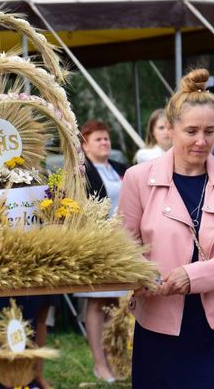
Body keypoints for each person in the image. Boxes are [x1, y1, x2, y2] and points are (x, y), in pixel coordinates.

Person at [119, 68, 214, 388]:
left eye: (210, 131)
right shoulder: (138, 179)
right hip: (159, 329)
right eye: (192, 130)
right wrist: (144, 277)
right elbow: (123, 248)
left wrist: (191, 276)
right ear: (170, 129)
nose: (201, 141)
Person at [76, 120, 127, 383]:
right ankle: (99, 363)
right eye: (98, 139)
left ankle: (114, 359)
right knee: (97, 301)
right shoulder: (81, 172)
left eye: (107, 139)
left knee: (115, 303)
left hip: (120, 243)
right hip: (95, 243)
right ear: (84, 144)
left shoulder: (120, 168)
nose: (105, 143)